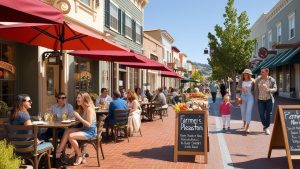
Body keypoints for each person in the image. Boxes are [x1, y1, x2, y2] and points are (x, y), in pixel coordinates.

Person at [56, 92, 97, 166]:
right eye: (77, 98)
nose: (77, 99)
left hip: (90, 132)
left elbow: (89, 124)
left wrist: (78, 117)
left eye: (78, 98)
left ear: (84, 99)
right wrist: (75, 118)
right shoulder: (82, 108)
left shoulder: (89, 109)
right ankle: (59, 151)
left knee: (71, 136)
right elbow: (81, 121)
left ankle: (79, 155)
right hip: (85, 129)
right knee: (67, 130)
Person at [255, 67, 277, 135]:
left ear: (267, 72)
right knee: (261, 114)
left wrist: (269, 90)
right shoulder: (258, 79)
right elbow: (254, 86)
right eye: (261, 72)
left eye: (263, 72)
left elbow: (275, 88)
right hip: (260, 99)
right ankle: (265, 125)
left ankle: (266, 127)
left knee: (269, 114)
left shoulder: (272, 80)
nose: (261, 73)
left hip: (269, 99)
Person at [236, 69, 255, 133]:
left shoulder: (253, 81)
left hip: (250, 97)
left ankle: (247, 127)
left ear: (249, 75)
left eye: (247, 74)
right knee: (243, 111)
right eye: (244, 74)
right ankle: (244, 123)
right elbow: (237, 88)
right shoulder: (241, 80)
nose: (245, 75)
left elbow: (255, 89)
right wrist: (242, 88)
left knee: (248, 111)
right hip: (243, 97)